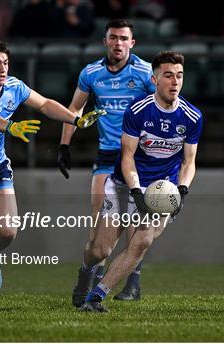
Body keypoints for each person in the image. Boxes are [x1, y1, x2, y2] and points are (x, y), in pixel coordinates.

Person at [0, 40, 99, 310]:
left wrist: (76, 120)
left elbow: (46, 103)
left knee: (8, 231)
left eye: (5, 62)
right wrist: (10, 126)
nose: (2, 68)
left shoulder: (14, 86)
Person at [79, 50, 203, 312]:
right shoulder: (137, 110)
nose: (175, 82)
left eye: (179, 76)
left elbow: (189, 162)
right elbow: (127, 157)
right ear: (155, 79)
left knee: (142, 242)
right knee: (100, 250)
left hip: (161, 188)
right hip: (125, 185)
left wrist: (182, 190)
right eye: (168, 76)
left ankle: (97, 296)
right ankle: (85, 272)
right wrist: (135, 190)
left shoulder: (192, 117)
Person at [58, 19, 155, 307]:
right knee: (100, 223)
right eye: (113, 37)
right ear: (105, 41)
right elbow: (75, 109)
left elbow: (160, 106)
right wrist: (64, 144)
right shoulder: (91, 73)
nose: (118, 43)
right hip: (107, 156)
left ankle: (132, 284)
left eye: (124, 38)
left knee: (137, 222)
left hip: (138, 157)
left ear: (132, 43)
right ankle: (86, 278)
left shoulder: (145, 72)